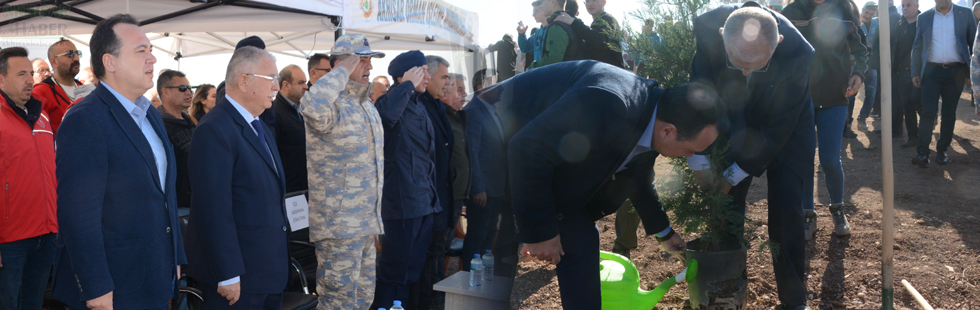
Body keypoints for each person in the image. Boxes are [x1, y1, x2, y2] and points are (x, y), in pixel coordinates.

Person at [479, 60, 723, 310]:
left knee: (582, 239)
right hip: (487, 140)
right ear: (668, 132)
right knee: (496, 253)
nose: (690, 156)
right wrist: (541, 233)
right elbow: (527, 149)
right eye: (691, 150)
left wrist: (665, 233)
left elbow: (637, 178)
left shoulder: (653, 114)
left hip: (539, 166)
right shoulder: (610, 103)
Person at [53, 14, 187, 310]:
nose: (152, 58)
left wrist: (174, 257)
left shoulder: (150, 113)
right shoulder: (85, 119)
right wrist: (95, 285)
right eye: (141, 51)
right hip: (113, 286)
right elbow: (78, 215)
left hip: (154, 275)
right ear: (109, 62)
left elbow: (165, 195)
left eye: (151, 49)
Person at [690, 4, 816, 310]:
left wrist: (732, 175)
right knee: (728, 204)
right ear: (722, 37)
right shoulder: (708, 34)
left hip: (787, 127)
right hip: (731, 119)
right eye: (738, 64)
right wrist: (700, 159)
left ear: (779, 44)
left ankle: (794, 299)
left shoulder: (798, 53)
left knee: (788, 206)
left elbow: (774, 133)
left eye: (757, 66)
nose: (746, 73)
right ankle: (726, 285)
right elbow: (699, 100)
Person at [184, 46, 290, 310]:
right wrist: (227, 273)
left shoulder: (259, 125)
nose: (277, 86)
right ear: (244, 80)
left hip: (268, 274)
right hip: (238, 280)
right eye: (271, 78)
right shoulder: (214, 130)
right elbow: (213, 209)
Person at [300, 33, 385, 310]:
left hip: (364, 225)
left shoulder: (366, 105)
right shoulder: (329, 104)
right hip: (338, 228)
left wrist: (374, 222)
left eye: (369, 61)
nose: (369, 68)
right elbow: (310, 107)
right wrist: (342, 71)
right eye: (362, 61)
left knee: (363, 300)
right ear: (342, 65)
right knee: (338, 303)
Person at [784, 0, 868, 240]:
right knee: (804, 157)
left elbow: (862, 49)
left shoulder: (845, 10)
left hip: (836, 96)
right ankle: (807, 214)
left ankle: (838, 208)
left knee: (830, 159)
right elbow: (780, 51)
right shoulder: (793, 12)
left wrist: (858, 74)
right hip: (802, 98)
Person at [370, 50, 435, 310]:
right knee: (394, 272)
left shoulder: (418, 104)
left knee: (411, 272)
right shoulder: (389, 101)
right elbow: (385, 117)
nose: (428, 76)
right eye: (423, 70)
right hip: (402, 205)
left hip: (423, 202)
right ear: (405, 75)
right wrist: (406, 83)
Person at [0, 47, 58, 310]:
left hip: (45, 234)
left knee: (33, 303)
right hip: (9, 239)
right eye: (21, 73)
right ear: (1, 79)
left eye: (31, 73)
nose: (30, 80)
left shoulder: (42, 116)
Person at [912, 0, 975, 167]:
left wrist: (972, 73)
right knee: (928, 112)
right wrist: (915, 72)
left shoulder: (965, 14)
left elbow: (974, 45)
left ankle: (942, 151)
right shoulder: (924, 17)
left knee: (949, 113)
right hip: (931, 72)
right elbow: (917, 46)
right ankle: (923, 153)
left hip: (957, 72)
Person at [415, 55, 454, 310]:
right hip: (430, 203)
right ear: (426, 77)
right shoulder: (421, 107)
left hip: (443, 202)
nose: (448, 83)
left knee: (438, 263)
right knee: (428, 267)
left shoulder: (438, 107)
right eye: (444, 77)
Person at [156, 69, 197, 210]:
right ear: (165, 92)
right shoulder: (157, 126)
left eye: (189, 89)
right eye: (182, 88)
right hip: (175, 207)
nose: (188, 93)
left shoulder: (191, 122)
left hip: (195, 202)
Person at [883, 0, 921, 147]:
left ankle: (925, 136)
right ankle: (913, 137)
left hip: (918, 73)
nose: (905, 8)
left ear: (917, 6)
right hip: (901, 73)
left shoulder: (923, 23)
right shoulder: (900, 24)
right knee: (907, 106)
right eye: (903, 5)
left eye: (909, 5)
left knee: (921, 105)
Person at [554, 0, 627, 68]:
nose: (590, 4)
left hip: (611, 74)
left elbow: (601, 41)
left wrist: (574, 22)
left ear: (604, 1)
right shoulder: (597, 22)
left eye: (594, 0)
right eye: (587, 1)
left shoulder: (608, 19)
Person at [32, 38, 83, 134]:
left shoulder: (83, 88)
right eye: (70, 54)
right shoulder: (41, 92)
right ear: (54, 62)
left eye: (77, 53)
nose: (76, 58)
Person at [273, 64, 310, 193]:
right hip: (289, 191)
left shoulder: (304, 109)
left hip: (306, 187)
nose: (306, 86)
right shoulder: (273, 113)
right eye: (301, 82)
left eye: (305, 82)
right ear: (286, 85)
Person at [530, 0, 584, 68]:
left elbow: (553, 59)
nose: (541, 6)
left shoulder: (556, 27)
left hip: (563, 75)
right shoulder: (573, 22)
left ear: (553, 2)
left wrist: (532, 67)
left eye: (542, 2)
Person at [854, 2, 879, 129]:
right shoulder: (854, 22)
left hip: (871, 63)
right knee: (851, 92)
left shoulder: (878, 23)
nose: (868, 15)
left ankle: (862, 118)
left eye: (871, 13)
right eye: (866, 12)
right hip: (856, 63)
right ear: (862, 10)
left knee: (871, 93)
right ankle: (847, 121)